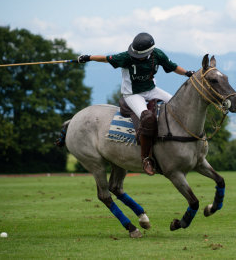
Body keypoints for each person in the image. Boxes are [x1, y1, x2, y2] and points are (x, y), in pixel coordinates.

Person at [77, 32, 194, 176]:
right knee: (148, 119)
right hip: (132, 94)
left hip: (151, 90)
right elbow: (106, 59)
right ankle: (146, 159)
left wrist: (188, 73)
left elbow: (173, 67)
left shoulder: (157, 55)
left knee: (178, 107)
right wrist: (88, 58)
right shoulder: (126, 57)